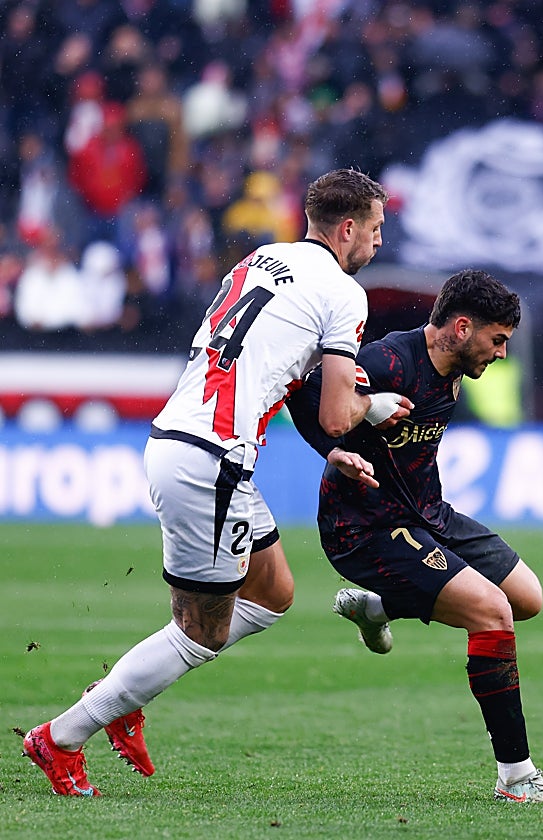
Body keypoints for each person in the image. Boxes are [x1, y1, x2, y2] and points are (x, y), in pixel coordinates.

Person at [22, 168, 410, 797]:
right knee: (199, 629)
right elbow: (340, 414)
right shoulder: (344, 294)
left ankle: (122, 693)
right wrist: (374, 406)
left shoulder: (261, 260)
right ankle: (64, 735)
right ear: (347, 229)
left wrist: (328, 443)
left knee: (273, 590)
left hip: (186, 439)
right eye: (375, 230)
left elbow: (265, 366)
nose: (378, 243)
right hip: (212, 461)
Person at [285, 269, 543, 804]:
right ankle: (517, 777)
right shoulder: (386, 361)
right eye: (497, 340)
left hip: (427, 514)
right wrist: (333, 452)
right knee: (493, 613)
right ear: (462, 328)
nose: (502, 354)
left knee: (527, 598)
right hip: (366, 527)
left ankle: (378, 608)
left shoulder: (454, 366)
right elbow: (302, 394)